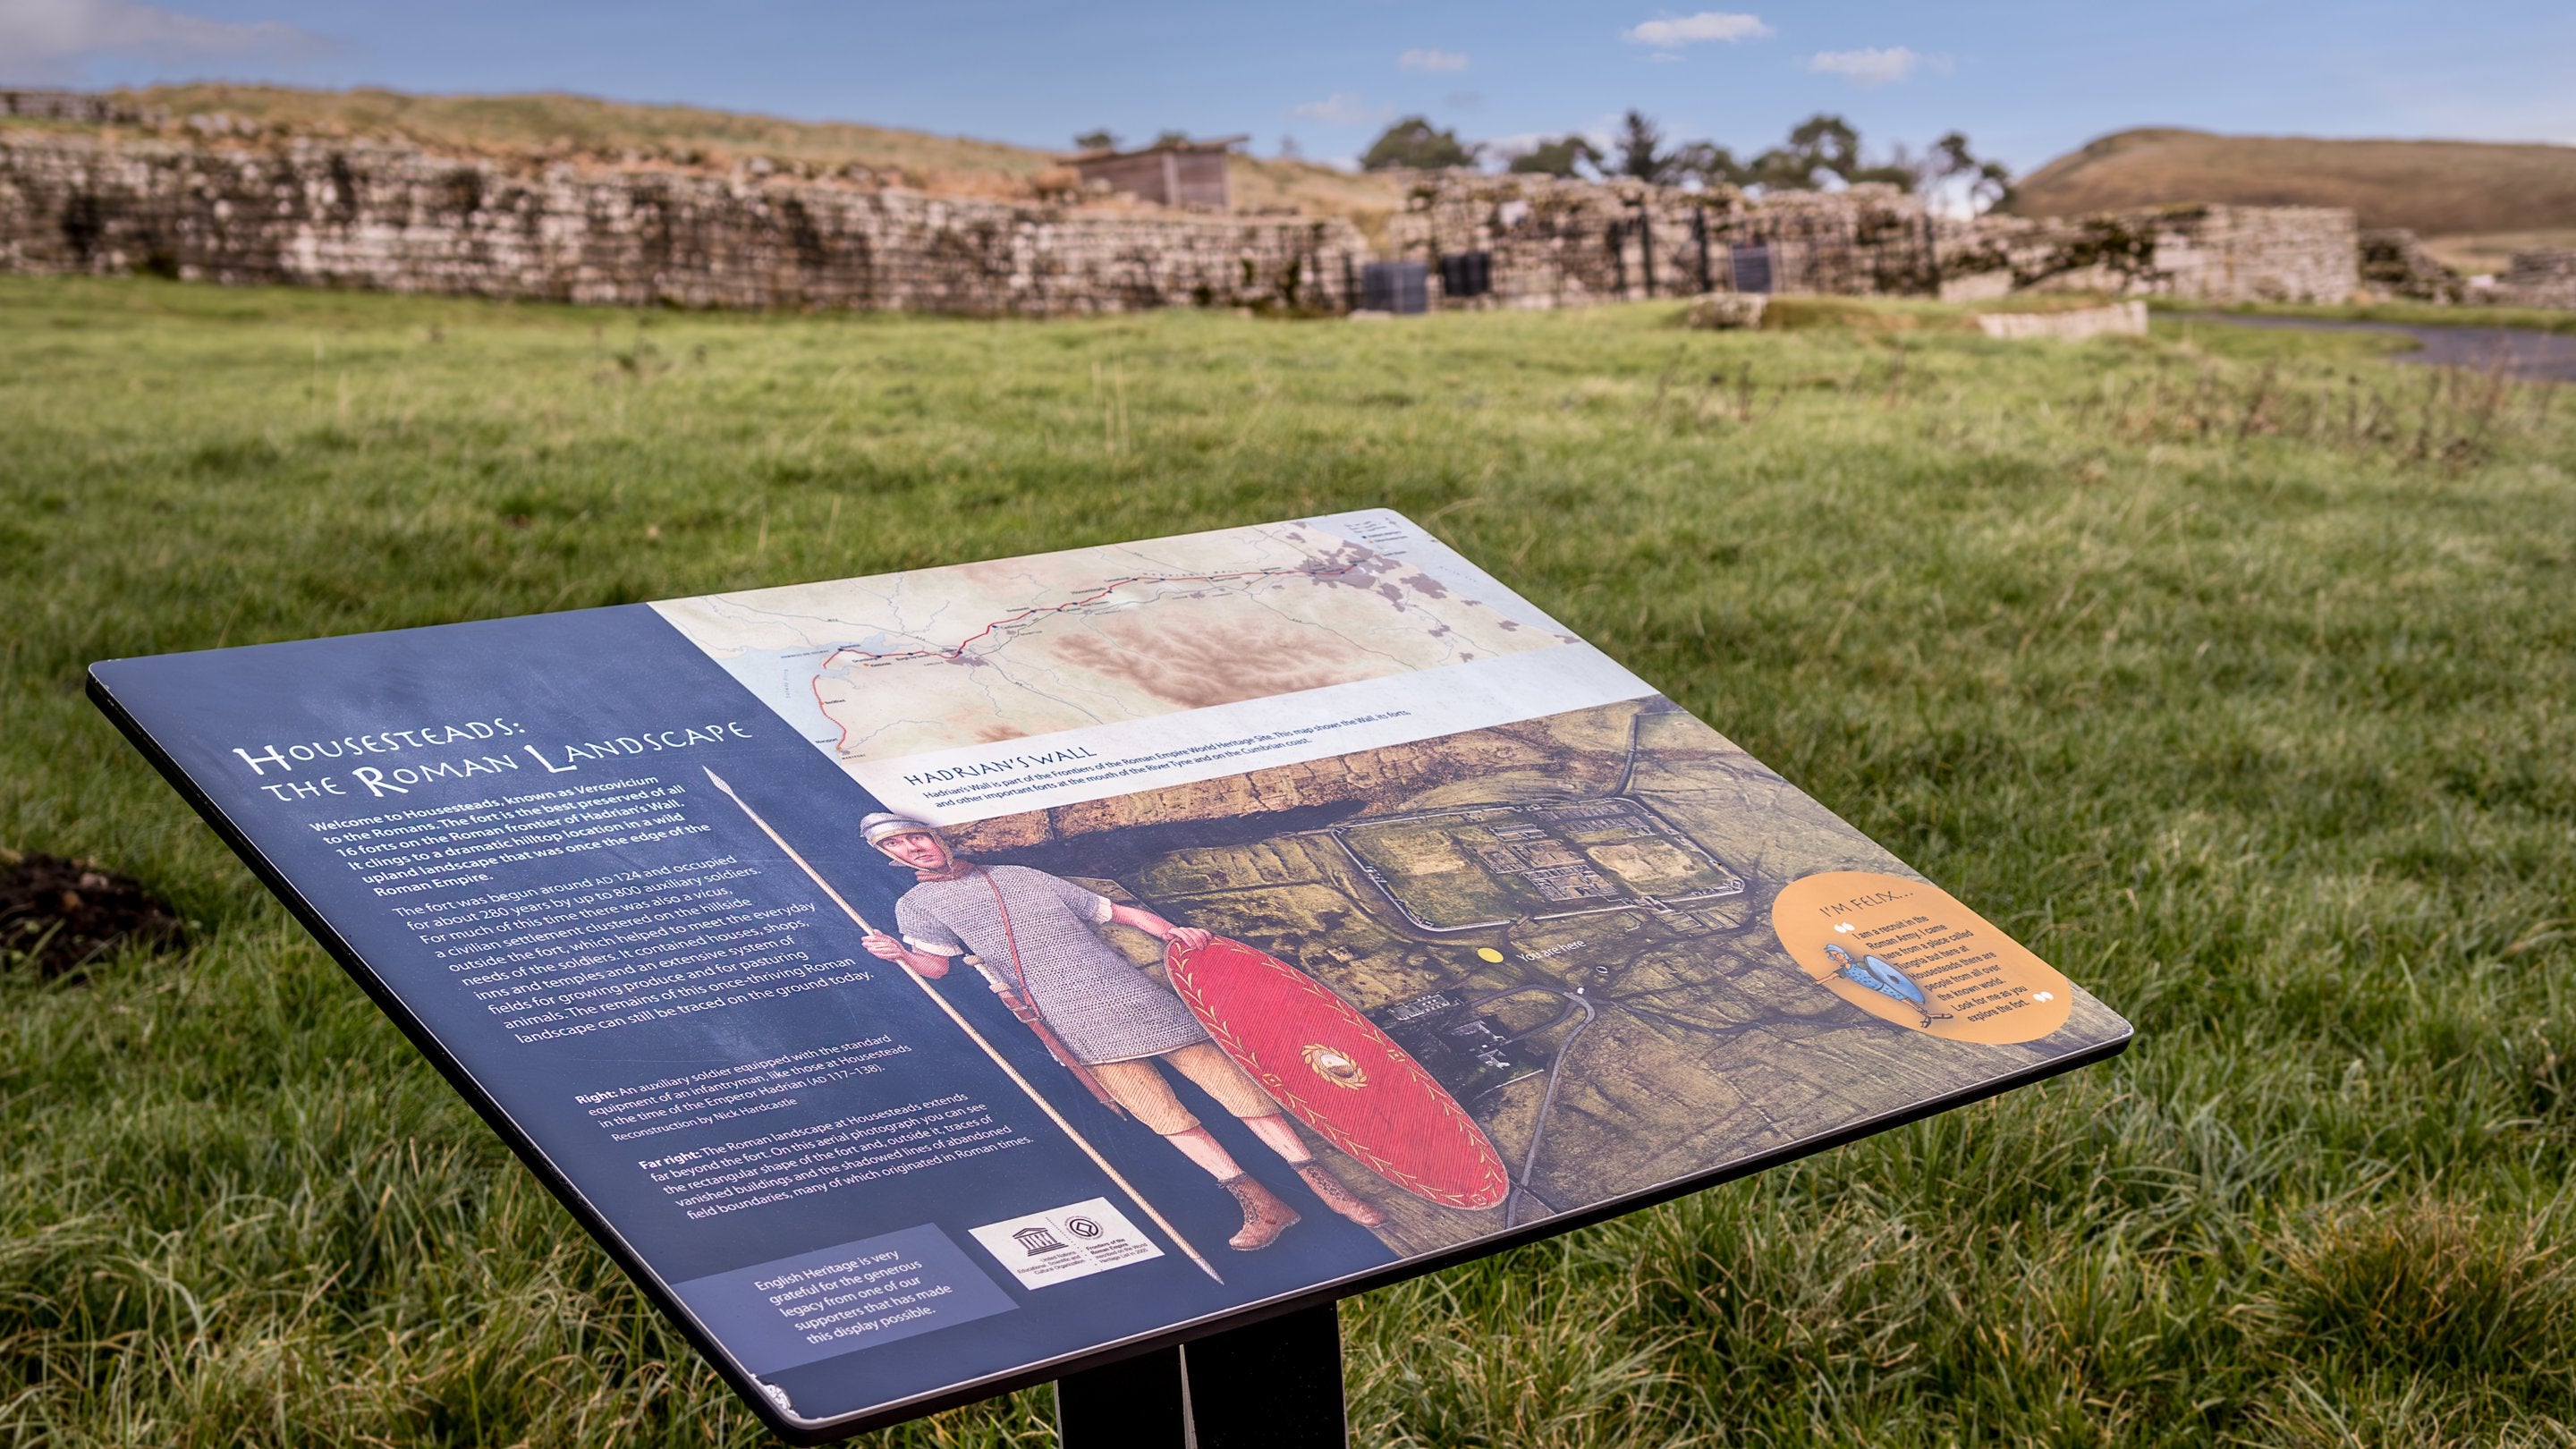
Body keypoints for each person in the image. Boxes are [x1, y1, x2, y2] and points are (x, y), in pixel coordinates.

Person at [854, 812, 1387, 1250]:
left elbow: (1117, 913)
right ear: (890, 858)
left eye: (916, 835)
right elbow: (937, 968)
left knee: (1240, 1094)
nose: (913, 848)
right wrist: (900, 953)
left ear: (934, 837)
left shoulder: (1019, 875)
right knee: (1161, 1115)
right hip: (1071, 1024)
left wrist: (1172, 931)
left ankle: (1329, 1188)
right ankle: (1262, 1203)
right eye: (898, 845)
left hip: (1135, 1001)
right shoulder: (917, 906)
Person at [1821, 942, 1953, 1030]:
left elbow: (1877, 968)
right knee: (1901, 999)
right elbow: (1833, 976)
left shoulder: (1859, 965)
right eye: (1834, 956)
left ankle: (1928, 1014)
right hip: (1875, 989)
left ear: (1843, 953)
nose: (1837, 957)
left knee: (1902, 997)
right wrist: (1819, 981)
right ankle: (1928, 1015)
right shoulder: (1845, 970)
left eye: (1837, 954)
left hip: (1882, 985)